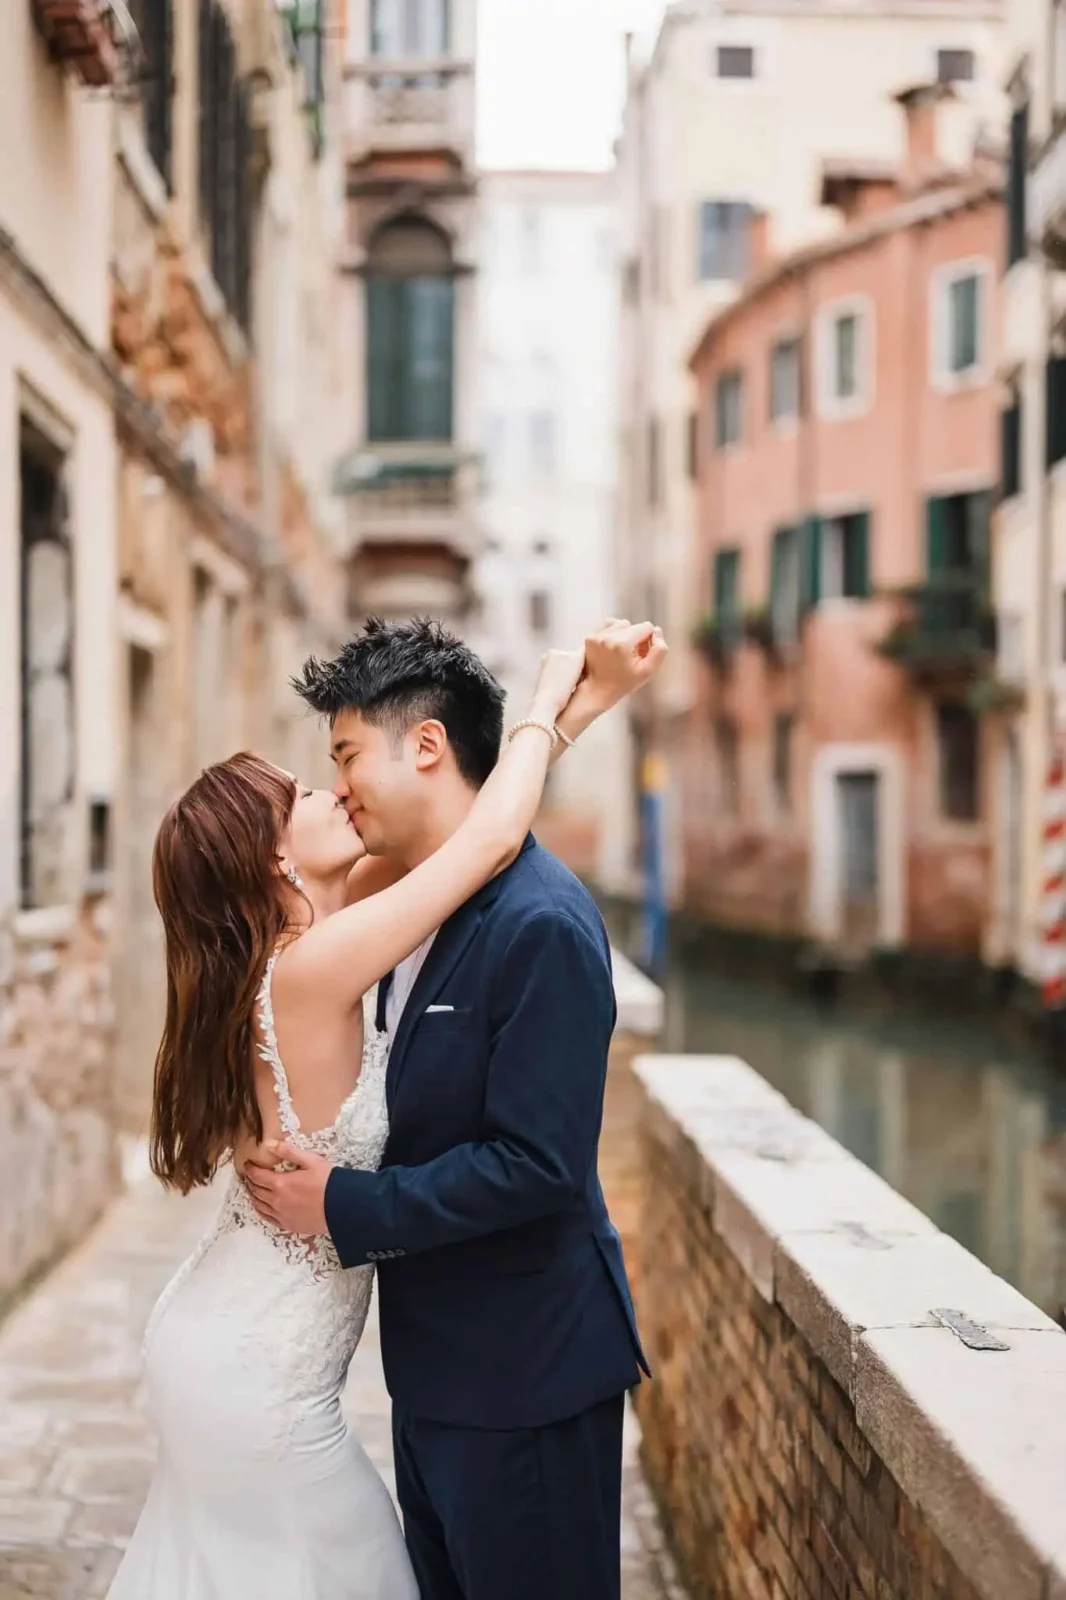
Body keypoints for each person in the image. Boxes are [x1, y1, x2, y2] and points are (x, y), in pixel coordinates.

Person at [106, 617, 666, 1600]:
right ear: (277, 862)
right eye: (312, 786)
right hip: (272, 1364)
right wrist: (545, 699)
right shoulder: (319, 959)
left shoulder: (378, 918)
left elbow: (480, 829)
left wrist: (575, 706)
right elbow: (485, 833)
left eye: (340, 758)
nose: (332, 789)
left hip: (448, 1367)